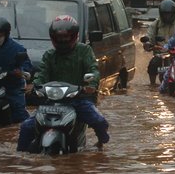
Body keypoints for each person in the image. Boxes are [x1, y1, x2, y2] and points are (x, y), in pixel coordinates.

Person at [17, 15, 109, 152]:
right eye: (59, 38)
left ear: (74, 36)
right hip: (51, 101)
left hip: (78, 100)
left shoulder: (84, 51)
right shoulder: (49, 55)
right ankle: (19, 158)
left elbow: (93, 70)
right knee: (26, 127)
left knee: (99, 121)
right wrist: (35, 87)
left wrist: (91, 86)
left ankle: (101, 144)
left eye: (66, 37)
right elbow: (41, 74)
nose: (63, 40)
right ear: (53, 37)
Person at [144, 0, 175, 85]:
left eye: (169, 14)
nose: (167, 16)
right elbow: (149, 34)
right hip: (160, 54)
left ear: (173, 13)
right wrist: (147, 43)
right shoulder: (156, 24)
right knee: (152, 65)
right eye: (165, 14)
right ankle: (152, 85)